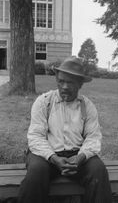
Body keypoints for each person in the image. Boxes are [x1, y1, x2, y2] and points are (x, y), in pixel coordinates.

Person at [18, 56, 112, 203]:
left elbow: (93, 137)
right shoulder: (44, 102)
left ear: (80, 84)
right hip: (46, 155)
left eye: (71, 82)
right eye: (61, 81)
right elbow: (35, 137)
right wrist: (54, 158)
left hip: (77, 156)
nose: (65, 87)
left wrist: (80, 158)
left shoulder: (87, 106)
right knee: (37, 172)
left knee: (98, 171)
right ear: (56, 79)